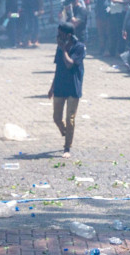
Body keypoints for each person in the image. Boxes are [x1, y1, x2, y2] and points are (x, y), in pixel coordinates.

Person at [48, 22, 85, 159]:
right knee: (57, 118)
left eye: (61, 33)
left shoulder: (79, 47)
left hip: (73, 87)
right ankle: (66, 132)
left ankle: (67, 146)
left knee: (70, 119)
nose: (58, 36)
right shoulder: (59, 48)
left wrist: (64, 49)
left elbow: (70, 64)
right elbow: (58, 68)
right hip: (60, 86)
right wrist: (52, 87)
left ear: (68, 35)